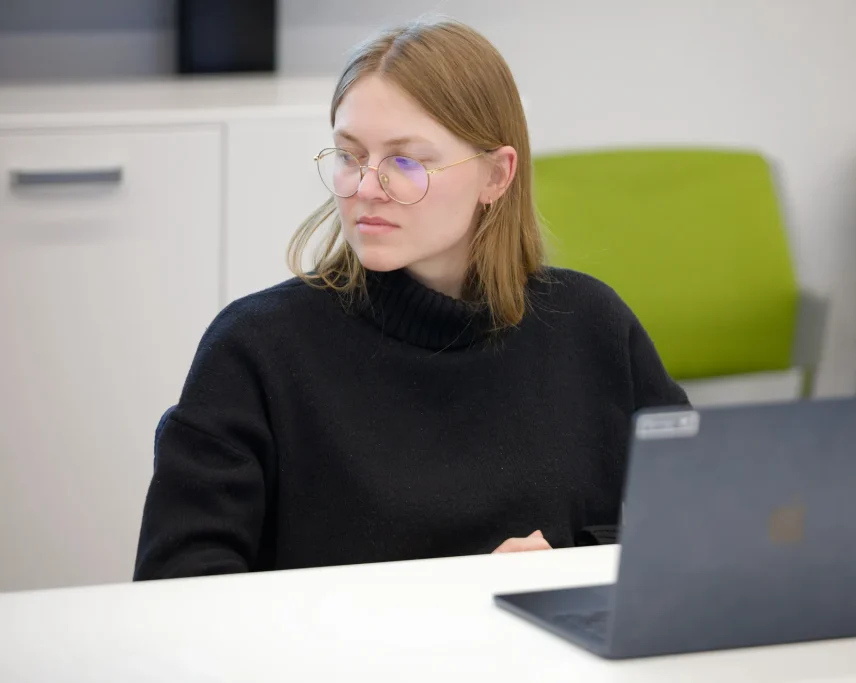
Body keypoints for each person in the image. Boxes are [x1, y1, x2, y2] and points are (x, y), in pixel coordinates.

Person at [133, 18, 689, 580]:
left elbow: (700, 524)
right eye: (349, 156)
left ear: (496, 176)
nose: (365, 187)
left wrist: (569, 568)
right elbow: (177, 589)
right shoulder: (255, 349)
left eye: (406, 162)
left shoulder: (591, 326)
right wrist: (450, 598)